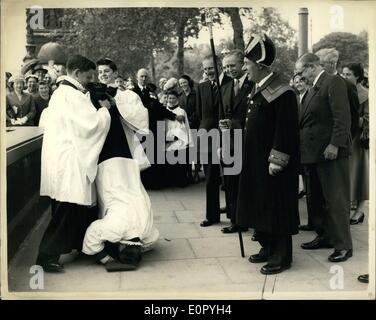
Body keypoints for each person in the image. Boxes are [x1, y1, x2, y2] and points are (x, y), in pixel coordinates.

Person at [36, 55, 111, 272]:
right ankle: (46, 256)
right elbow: (90, 125)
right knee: (67, 209)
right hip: (70, 160)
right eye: (88, 76)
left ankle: (80, 245)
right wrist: (105, 110)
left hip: (62, 159)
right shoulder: (71, 95)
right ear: (77, 73)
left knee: (72, 207)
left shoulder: (61, 93)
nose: (90, 80)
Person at [82, 58, 158, 271]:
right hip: (103, 150)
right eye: (100, 72)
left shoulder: (126, 94)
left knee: (127, 189)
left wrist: (116, 99)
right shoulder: (91, 92)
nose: (103, 74)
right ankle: (115, 238)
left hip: (123, 151)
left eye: (107, 71)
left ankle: (115, 240)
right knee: (110, 192)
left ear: (115, 73)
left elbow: (141, 119)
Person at [236, 34, 300, 275]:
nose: (244, 68)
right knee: (262, 204)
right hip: (256, 160)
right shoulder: (260, 88)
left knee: (277, 206)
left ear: (260, 66)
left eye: (247, 64)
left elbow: (286, 130)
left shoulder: (282, 92)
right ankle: (267, 246)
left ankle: (282, 255)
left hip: (273, 163)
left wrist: (277, 159)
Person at [296, 53, 353, 262]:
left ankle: (344, 245)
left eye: (301, 72)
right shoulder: (313, 88)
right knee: (317, 200)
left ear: (312, 67)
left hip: (330, 154)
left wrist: (335, 144)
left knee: (336, 200)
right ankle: (326, 236)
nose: (300, 77)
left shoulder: (333, 82)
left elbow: (343, 116)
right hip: (313, 154)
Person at [219, 49, 253, 234]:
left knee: (246, 182)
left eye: (232, 65)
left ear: (242, 64)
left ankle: (250, 218)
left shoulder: (253, 84)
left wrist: (234, 124)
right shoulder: (225, 88)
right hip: (230, 143)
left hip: (248, 141)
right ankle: (236, 219)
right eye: (225, 67)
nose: (229, 70)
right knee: (231, 182)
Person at [133, 68, 184, 189]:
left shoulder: (151, 91)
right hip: (140, 129)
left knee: (153, 156)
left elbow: (159, 108)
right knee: (141, 156)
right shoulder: (132, 92)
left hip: (153, 128)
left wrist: (174, 116)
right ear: (137, 77)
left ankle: (154, 183)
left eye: (146, 76)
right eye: (141, 76)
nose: (144, 79)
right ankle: (143, 184)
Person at [196, 54, 231, 227]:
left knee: (231, 177)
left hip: (228, 136)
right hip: (207, 137)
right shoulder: (201, 87)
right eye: (205, 69)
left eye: (211, 68)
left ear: (218, 66)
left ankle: (235, 215)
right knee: (210, 178)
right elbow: (199, 114)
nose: (208, 71)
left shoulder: (231, 83)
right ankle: (212, 215)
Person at [342, 63, 369, 225]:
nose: (345, 77)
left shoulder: (366, 95)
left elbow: (368, 120)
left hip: (358, 140)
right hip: (346, 138)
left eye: (348, 75)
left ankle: (360, 210)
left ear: (357, 76)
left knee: (359, 175)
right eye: (343, 74)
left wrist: (352, 118)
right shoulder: (344, 91)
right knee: (348, 176)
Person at [292, 73, 313, 231]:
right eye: (296, 81)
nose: (298, 84)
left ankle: (314, 220)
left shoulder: (310, 96)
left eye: (301, 81)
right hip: (297, 146)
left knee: (310, 185)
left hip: (308, 146)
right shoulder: (295, 98)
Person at [164, 90, 193, 187]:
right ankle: (171, 181)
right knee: (169, 162)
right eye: (169, 98)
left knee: (180, 162)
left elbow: (185, 126)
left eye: (173, 98)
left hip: (179, 139)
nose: (171, 100)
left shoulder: (181, 111)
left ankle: (181, 181)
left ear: (177, 99)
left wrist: (177, 135)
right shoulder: (164, 110)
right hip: (167, 140)